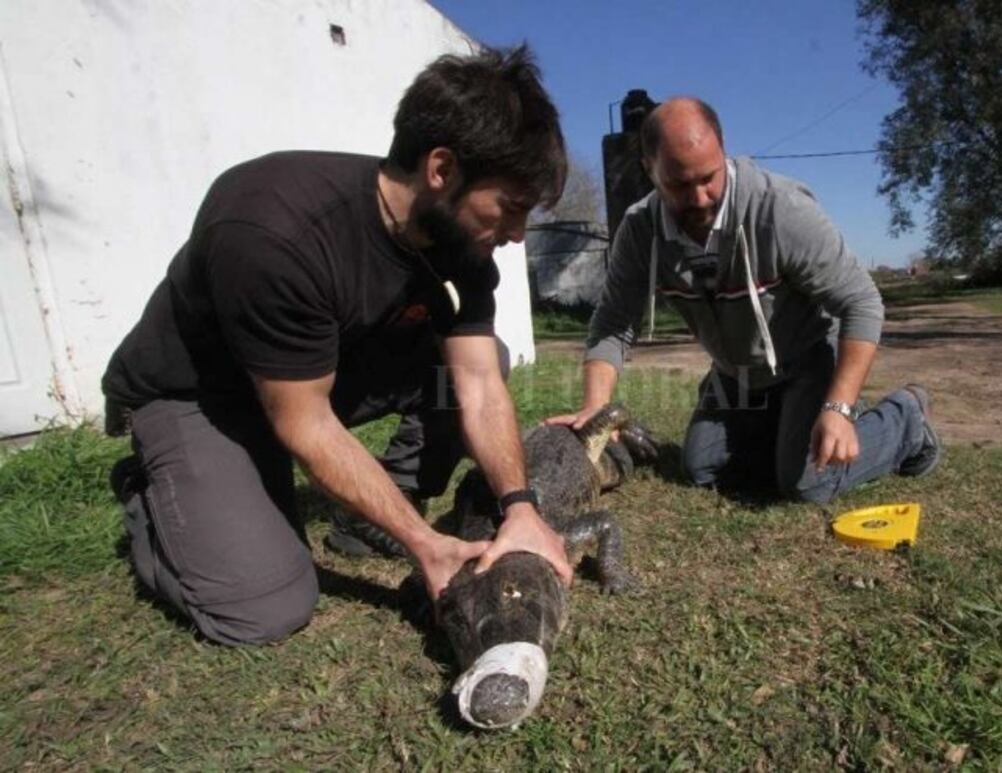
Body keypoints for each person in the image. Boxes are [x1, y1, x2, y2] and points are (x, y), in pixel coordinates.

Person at [101, 46, 572, 646]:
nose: (516, 234)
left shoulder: (461, 244)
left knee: (485, 362)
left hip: (315, 377)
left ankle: (372, 511)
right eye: (510, 208)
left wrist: (521, 508)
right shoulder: (275, 229)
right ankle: (153, 492)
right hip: (204, 400)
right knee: (262, 609)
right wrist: (425, 544)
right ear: (441, 168)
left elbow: (479, 383)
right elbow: (307, 425)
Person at [548, 98, 942, 503]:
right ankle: (790, 433)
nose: (700, 197)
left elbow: (862, 303)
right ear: (650, 170)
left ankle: (906, 418)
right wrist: (596, 409)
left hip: (808, 356)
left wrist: (839, 408)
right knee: (702, 469)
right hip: (737, 373)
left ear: (723, 149)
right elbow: (613, 322)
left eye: (709, 178)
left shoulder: (780, 210)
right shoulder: (639, 230)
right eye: (680, 184)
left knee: (809, 483)